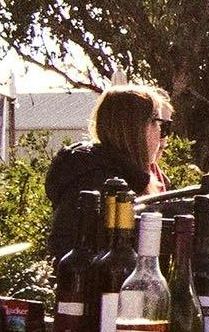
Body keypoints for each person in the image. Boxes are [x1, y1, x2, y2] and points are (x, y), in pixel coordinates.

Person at [40, 87, 165, 236]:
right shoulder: (99, 182)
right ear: (137, 128)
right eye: (161, 125)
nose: (163, 136)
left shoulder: (116, 172)